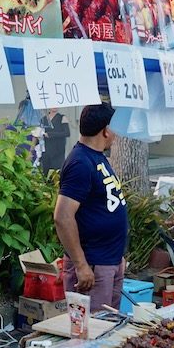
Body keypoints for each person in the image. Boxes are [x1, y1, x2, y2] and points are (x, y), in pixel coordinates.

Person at [54, 103, 129, 310]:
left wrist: (117, 257)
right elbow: (62, 217)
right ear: (106, 130)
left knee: (108, 327)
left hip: (108, 261)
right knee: (90, 332)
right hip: (92, 265)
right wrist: (81, 265)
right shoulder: (80, 162)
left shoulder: (97, 157)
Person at [40, 107, 71, 173]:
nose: (55, 106)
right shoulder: (43, 119)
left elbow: (67, 133)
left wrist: (51, 134)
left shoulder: (62, 117)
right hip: (47, 149)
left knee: (57, 171)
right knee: (46, 171)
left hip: (58, 149)